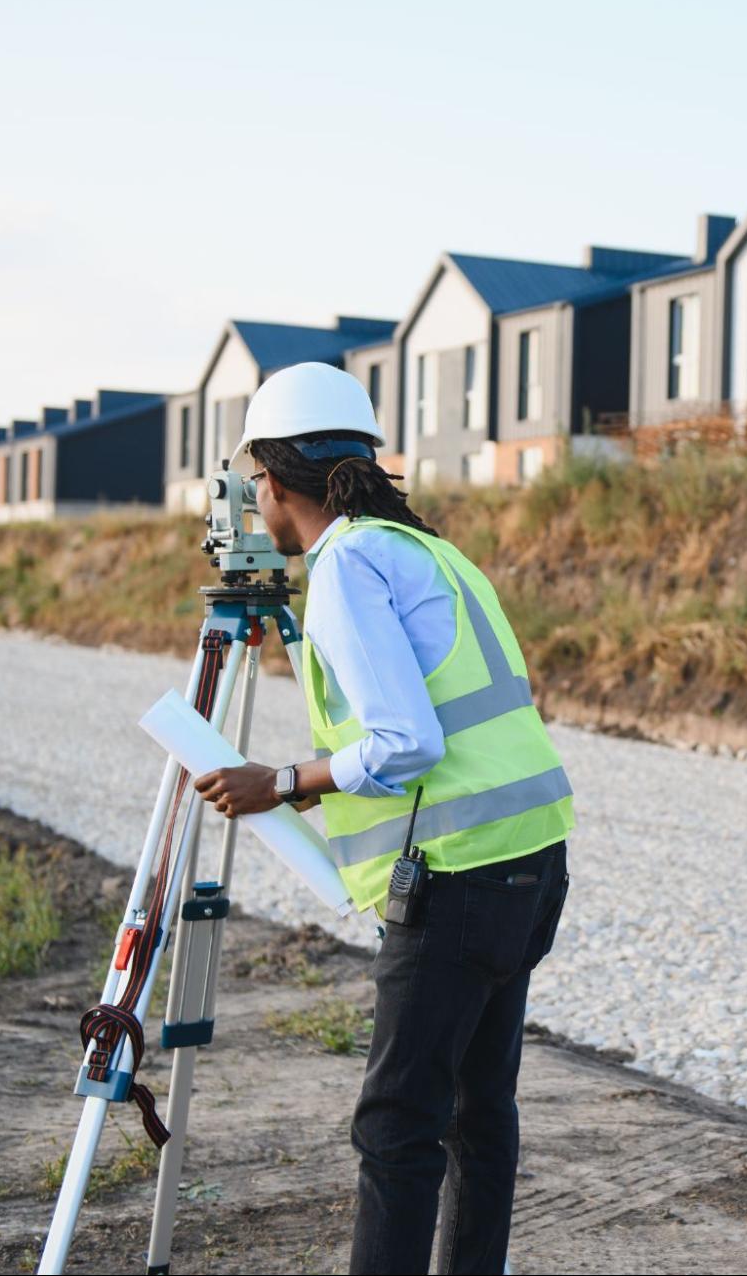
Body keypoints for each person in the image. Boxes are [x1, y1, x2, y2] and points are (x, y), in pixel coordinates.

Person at [192, 361, 573, 1275]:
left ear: (273, 484)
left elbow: (407, 739)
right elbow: (435, 722)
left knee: (398, 1128)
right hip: (529, 856)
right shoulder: (429, 550)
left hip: (457, 876)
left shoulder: (347, 565)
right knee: (481, 1112)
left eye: (256, 490)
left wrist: (281, 780)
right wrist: (323, 779)